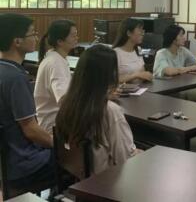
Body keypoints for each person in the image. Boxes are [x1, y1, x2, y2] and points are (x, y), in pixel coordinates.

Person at [56, 45, 138, 175]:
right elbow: (125, 159)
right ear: (109, 74)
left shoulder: (68, 102)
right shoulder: (110, 111)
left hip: (81, 178)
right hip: (108, 181)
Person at [0, 14, 54, 189]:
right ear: (17, 41)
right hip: (24, 164)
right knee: (82, 158)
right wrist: (59, 144)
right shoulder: (16, 78)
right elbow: (31, 130)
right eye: (32, 33)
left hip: (6, 162)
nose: (36, 38)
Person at [34, 19, 78, 134]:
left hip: (55, 123)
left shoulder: (55, 58)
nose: (76, 38)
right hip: (54, 126)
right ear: (60, 41)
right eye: (73, 35)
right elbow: (63, 99)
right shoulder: (56, 63)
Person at [113, 18, 152, 83]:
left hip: (140, 87)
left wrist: (147, 75)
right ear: (129, 33)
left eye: (143, 30)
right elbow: (113, 80)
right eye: (139, 30)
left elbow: (142, 72)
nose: (142, 33)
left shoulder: (138, 49)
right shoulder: (116, 53)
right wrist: (135, 75)